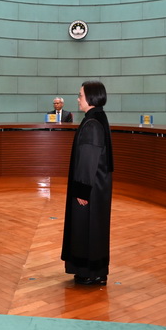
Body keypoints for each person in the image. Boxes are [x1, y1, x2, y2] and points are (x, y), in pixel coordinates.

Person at [61, 80, 113, 285]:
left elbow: (88, 159)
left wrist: (82, 191)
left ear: (91, 97)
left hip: (90, 187)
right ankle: (93, 270)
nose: (78, 99)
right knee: (93, 227)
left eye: (80, 95)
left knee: (87, 227)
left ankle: (90, 272)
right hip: (97, 185)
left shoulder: (92, 123)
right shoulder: (97, 117)